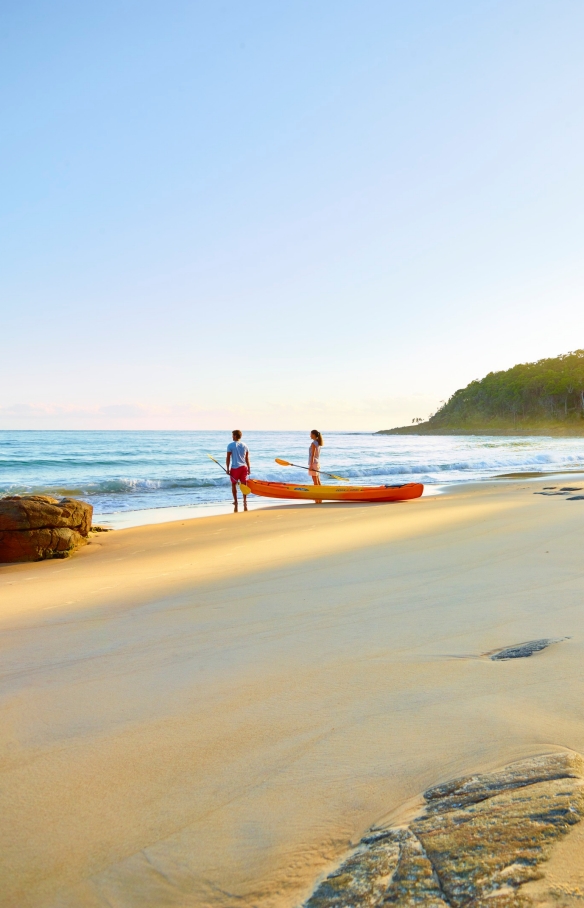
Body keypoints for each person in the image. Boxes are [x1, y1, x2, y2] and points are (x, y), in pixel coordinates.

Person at [226, 430, 251, 512]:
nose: (232, 437)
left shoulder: (230, 445)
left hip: (235, 468)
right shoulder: (245, 445)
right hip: (244, 467)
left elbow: (228, 458)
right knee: (244, 484)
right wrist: (249, 468)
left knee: (234, 484)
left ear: (235, 436)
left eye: (233, 435)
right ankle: (245, 501)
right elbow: (247, 458)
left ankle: (236, 501)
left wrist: (227, 469)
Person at [308, 429, 324, 504]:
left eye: (311, 434)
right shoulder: (318, 443)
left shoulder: (313, 443)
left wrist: (311, 465)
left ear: (314, 435)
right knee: (318, 480)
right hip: (317, 463)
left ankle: (317, 497)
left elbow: (313, 455)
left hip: (313, 463)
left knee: (315, 481)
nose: (310, 435)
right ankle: (321, 496)